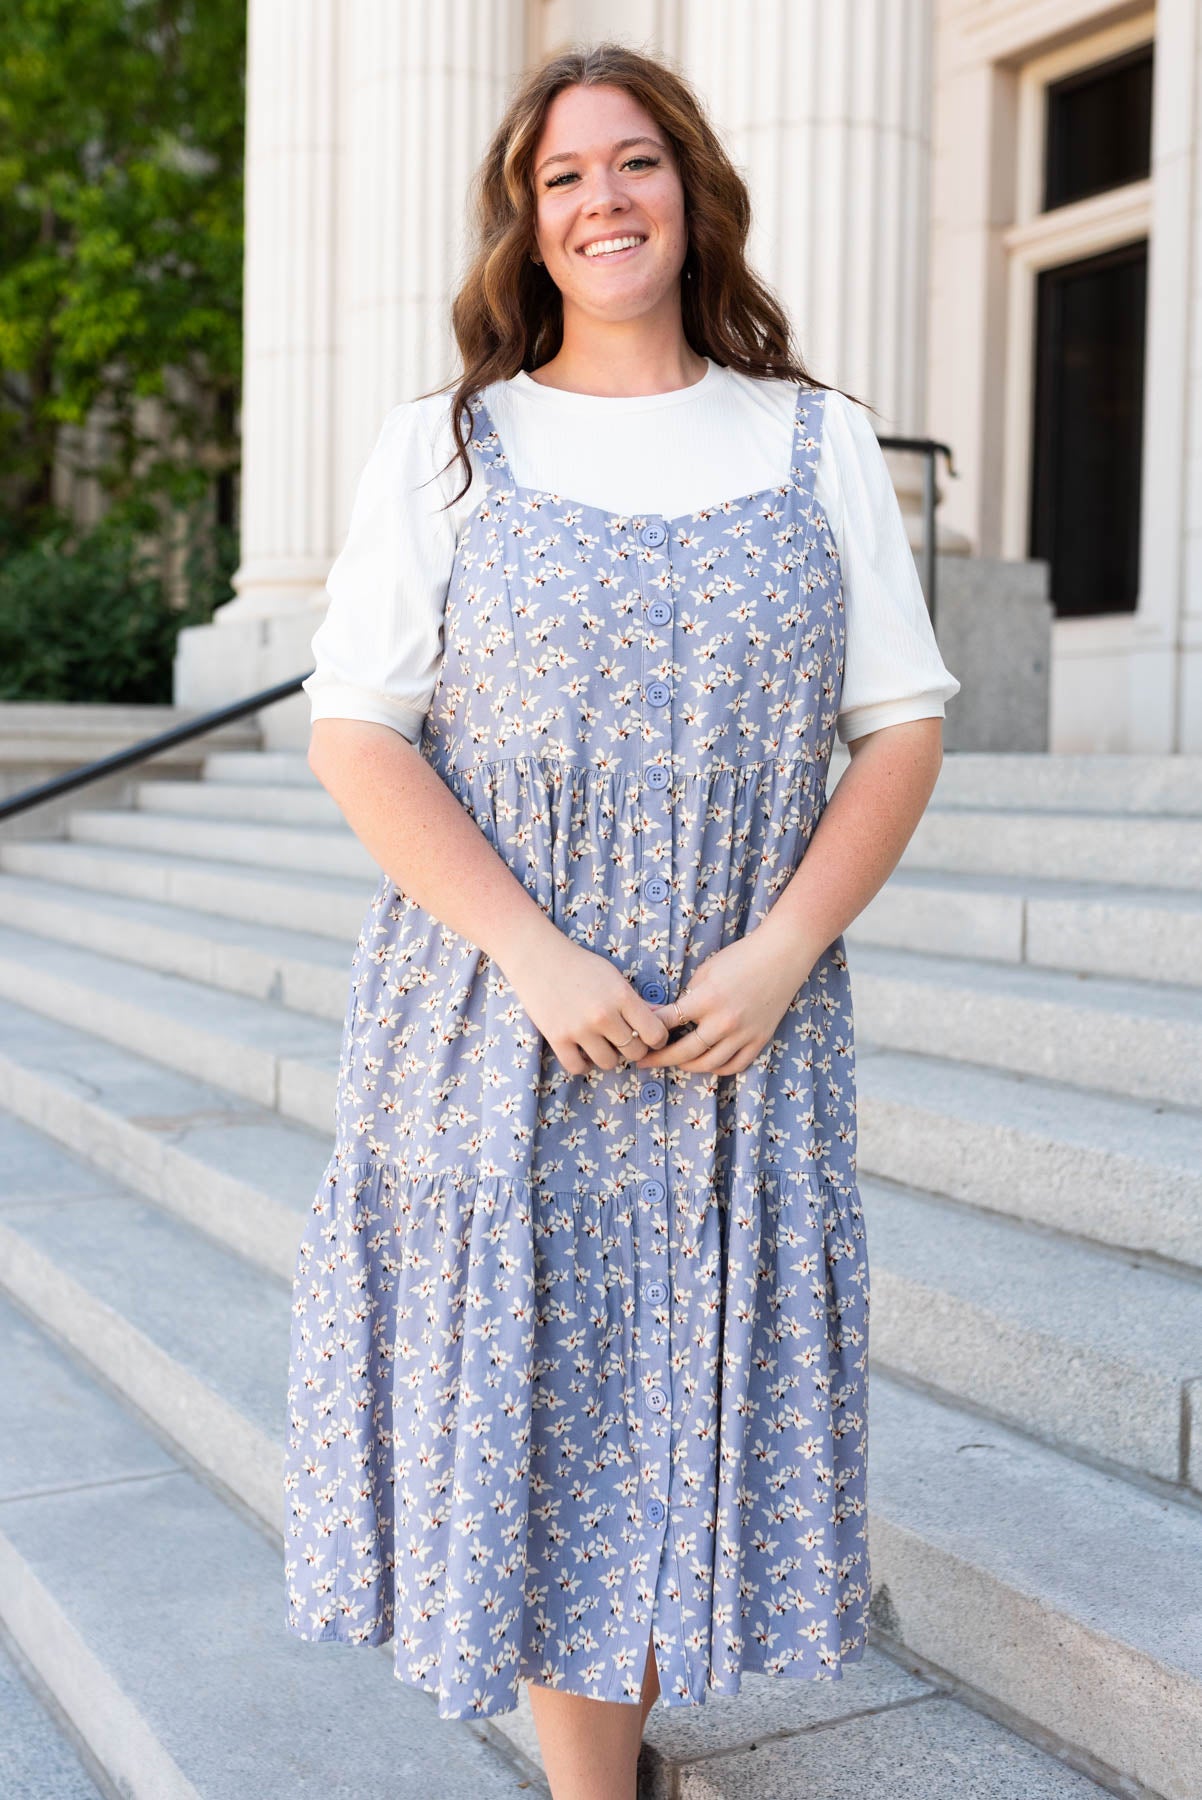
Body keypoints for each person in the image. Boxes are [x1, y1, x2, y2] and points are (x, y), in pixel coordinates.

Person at [283, 41, 959, 1800]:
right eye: (563, 174)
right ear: (525, 221)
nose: (602, 198)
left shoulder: (812, 439)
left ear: (693, 190)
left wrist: (786, 944)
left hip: (741, 1009)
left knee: (686, 1396)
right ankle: (601, 1788)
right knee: (546, 1411)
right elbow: (357, 726)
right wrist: (529, 948)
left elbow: (899, 724)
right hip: (499, 1006)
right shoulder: (446, 443)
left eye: (634, 161)